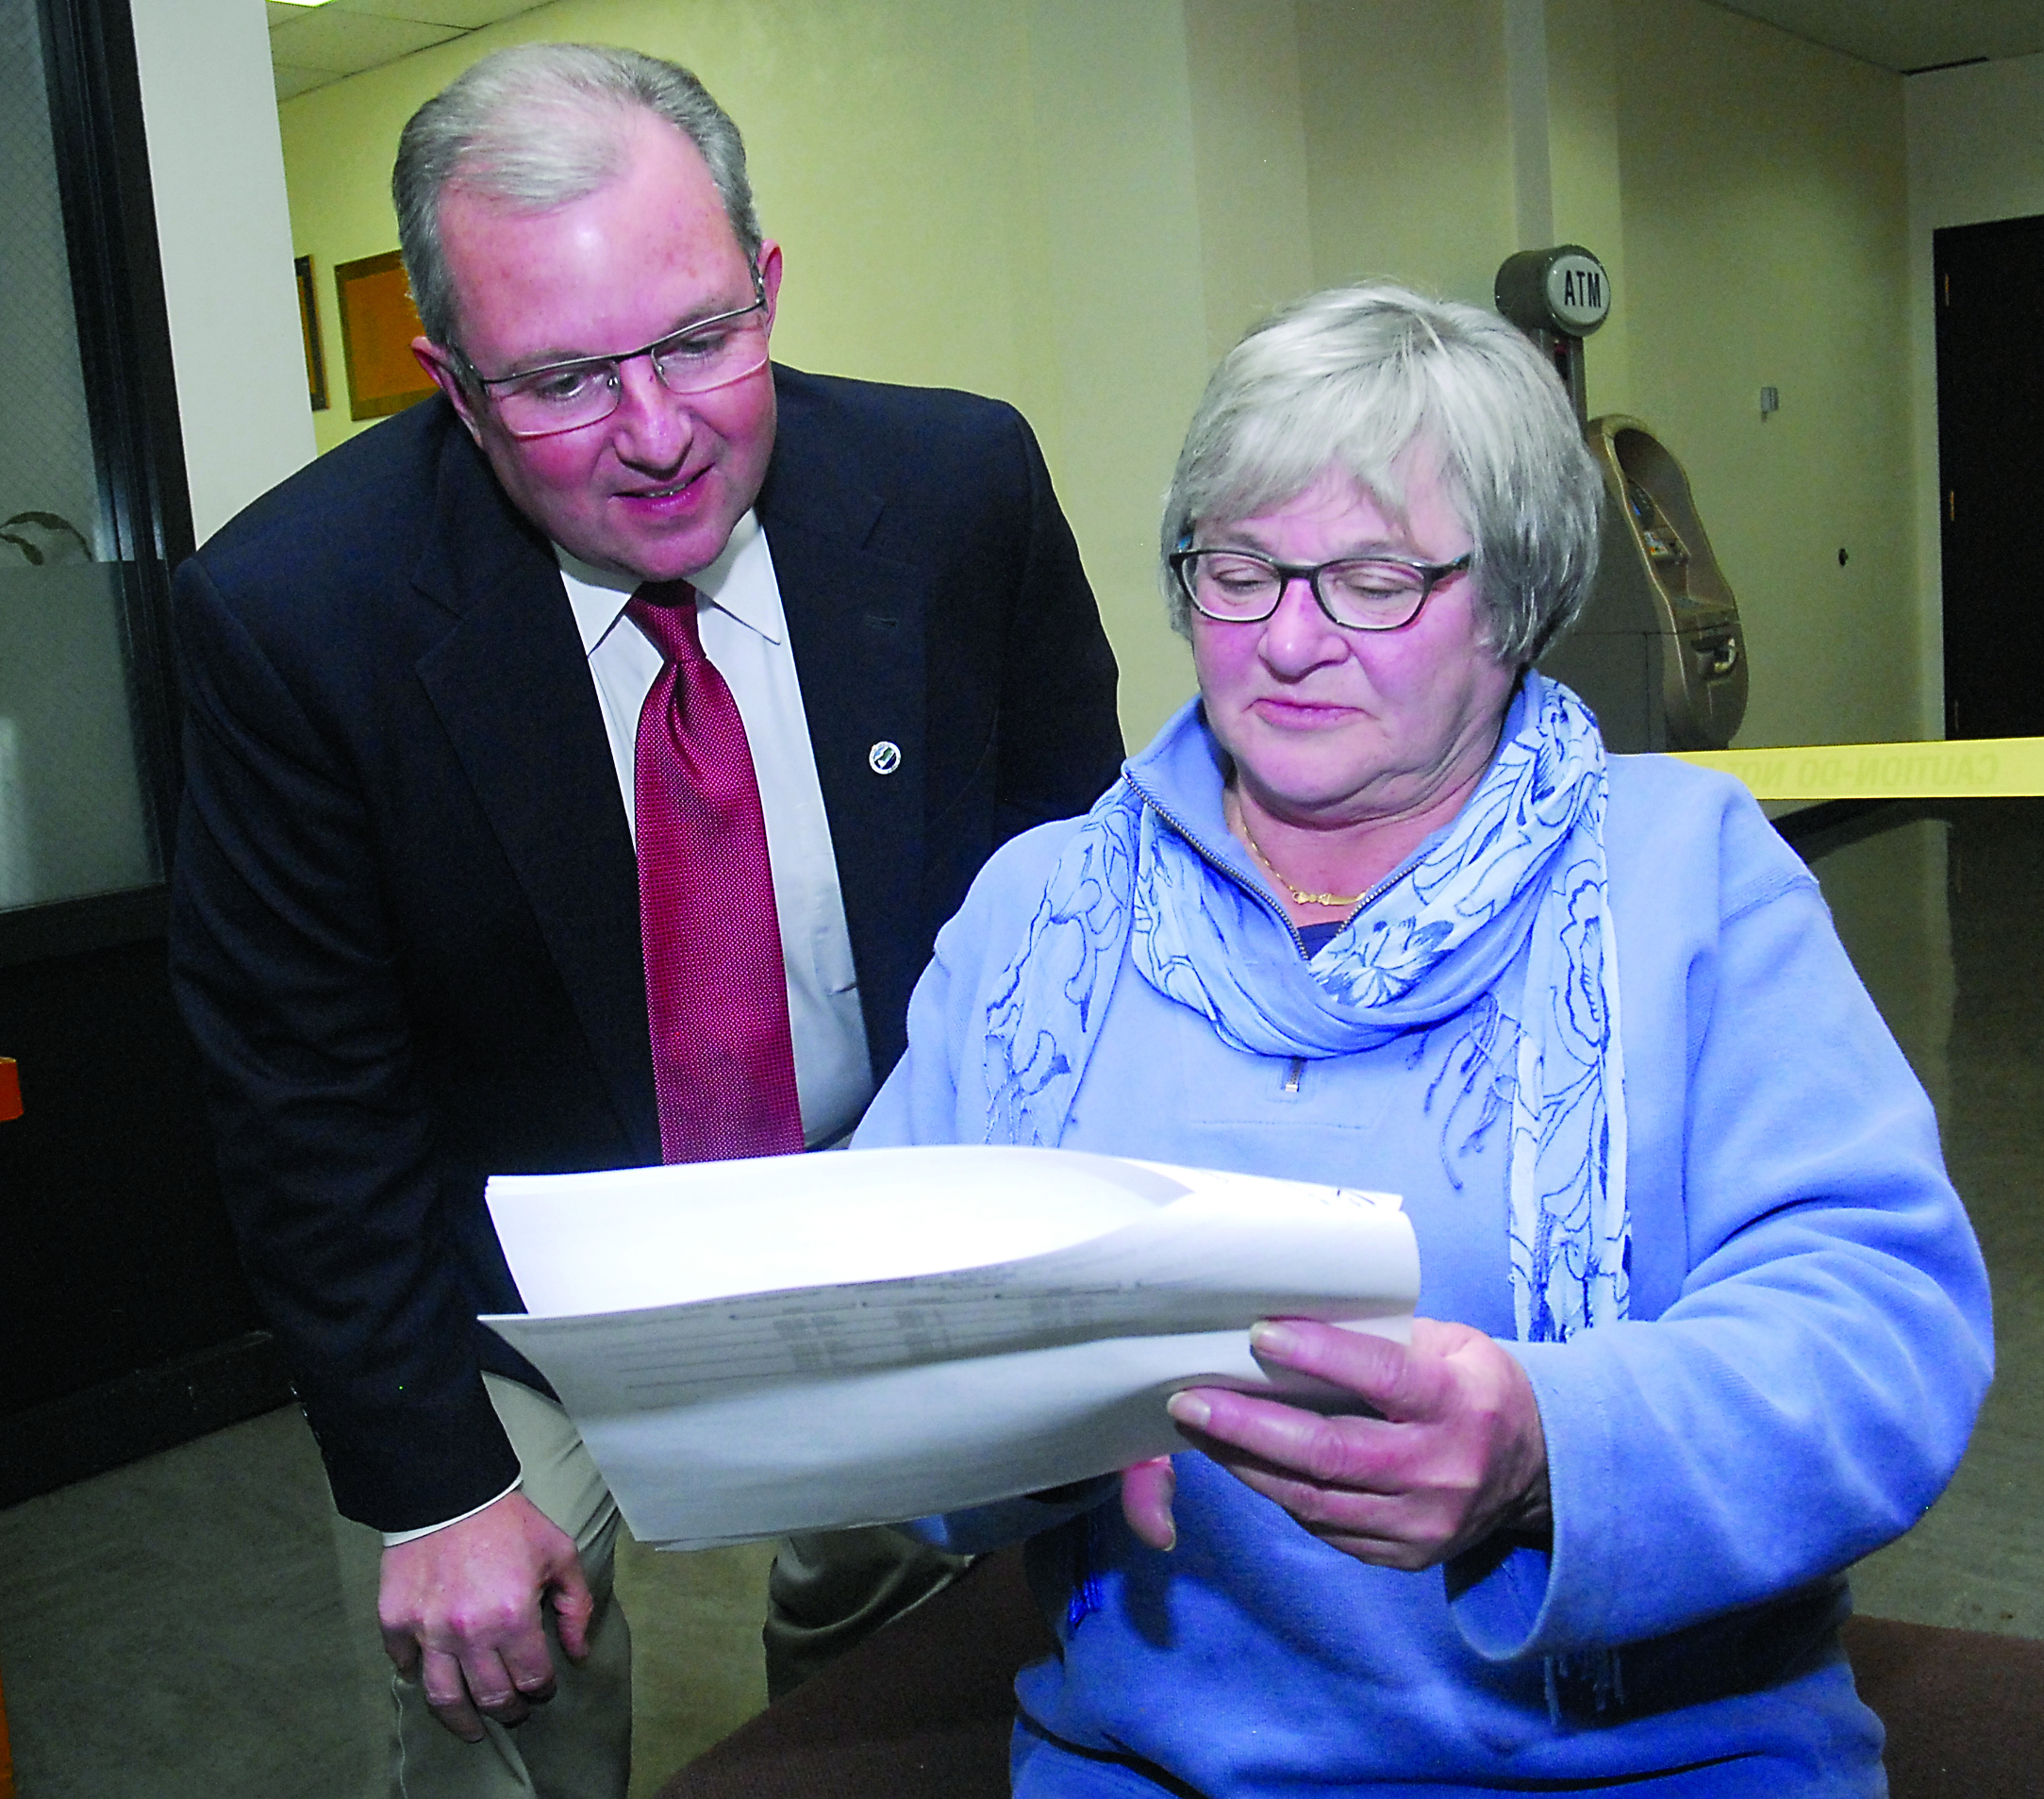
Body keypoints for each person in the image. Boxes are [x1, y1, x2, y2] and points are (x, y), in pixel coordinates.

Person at [854, 284, 1991, 1795]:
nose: (1291, 639)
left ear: (1514, 600)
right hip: (1151, 1762)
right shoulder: (1042, 909)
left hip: (1645, 1767)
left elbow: (1877, 1333)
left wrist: (1544, 1445)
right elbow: (866, 1330)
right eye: (1239, 570)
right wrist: (996, 1418)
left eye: (1375, 579)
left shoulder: (1683, 877)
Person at [167, 42, 1121, 1799]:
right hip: (523, 1274)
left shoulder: (957, 492)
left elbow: (1076, 904)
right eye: (561, 381)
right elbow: (307, 1096)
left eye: (700, 337)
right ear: (448, 383)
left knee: (924, 1651)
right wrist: (435, 1487)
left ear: (767, 281)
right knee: (484, 1690)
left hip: (887, 1189)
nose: (661, 429)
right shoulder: (297, 617)